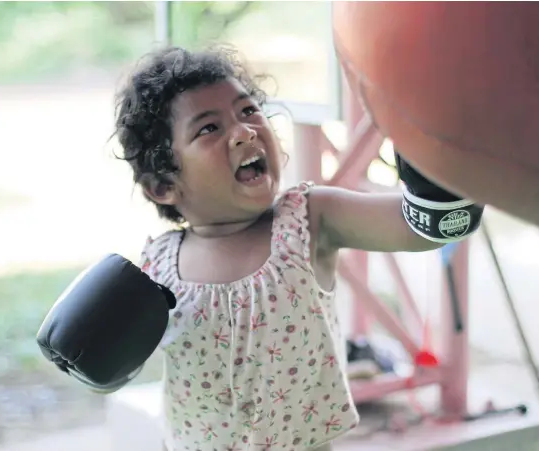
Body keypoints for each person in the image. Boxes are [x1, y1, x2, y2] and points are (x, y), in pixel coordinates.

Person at [112, 45, 483, 451]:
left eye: (248, 111)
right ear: (164, 185)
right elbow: (117, 366)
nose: (244, 131)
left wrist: (421, 121)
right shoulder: (158, 265)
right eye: (208, 128)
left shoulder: (308, 219)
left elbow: (425, 227)